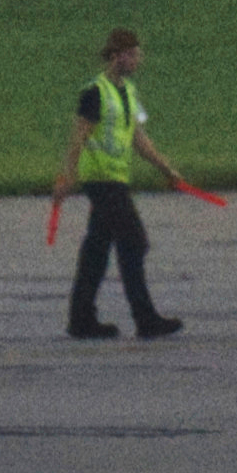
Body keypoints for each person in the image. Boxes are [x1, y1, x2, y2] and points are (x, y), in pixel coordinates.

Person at [52, 27, 189, 339]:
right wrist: (66, 176)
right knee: (133, 241)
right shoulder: (95, 92)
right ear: (116, 56)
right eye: (132, 54)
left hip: (115, 178)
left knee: (97, 248)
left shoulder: (127, 92)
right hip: (100, 179)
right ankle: (145, 318)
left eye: (137, 54)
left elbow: (139, 139)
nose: (137, 60)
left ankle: (81, 319)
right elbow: (78, 137)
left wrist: (166, 169)